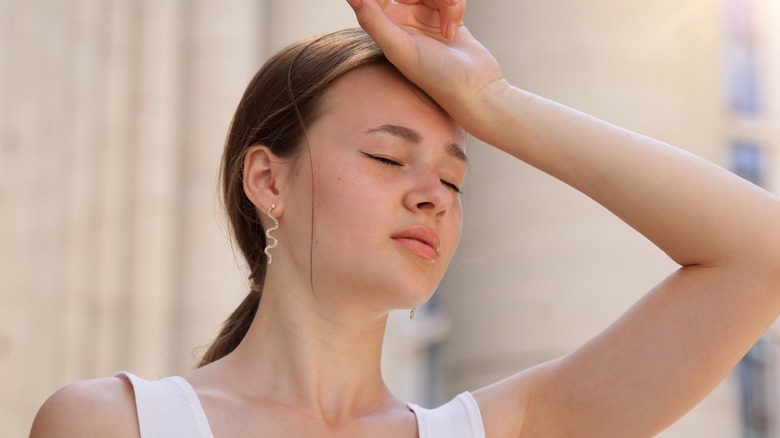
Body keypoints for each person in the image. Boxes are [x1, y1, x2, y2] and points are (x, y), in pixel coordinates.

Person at [31, 0, 780, 436]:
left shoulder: (495, 430)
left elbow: (761, 254)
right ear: (268, 180)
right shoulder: (114, 424)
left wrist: (492, 101)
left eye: (454, 180)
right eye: (389, 160)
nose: (432, 196)